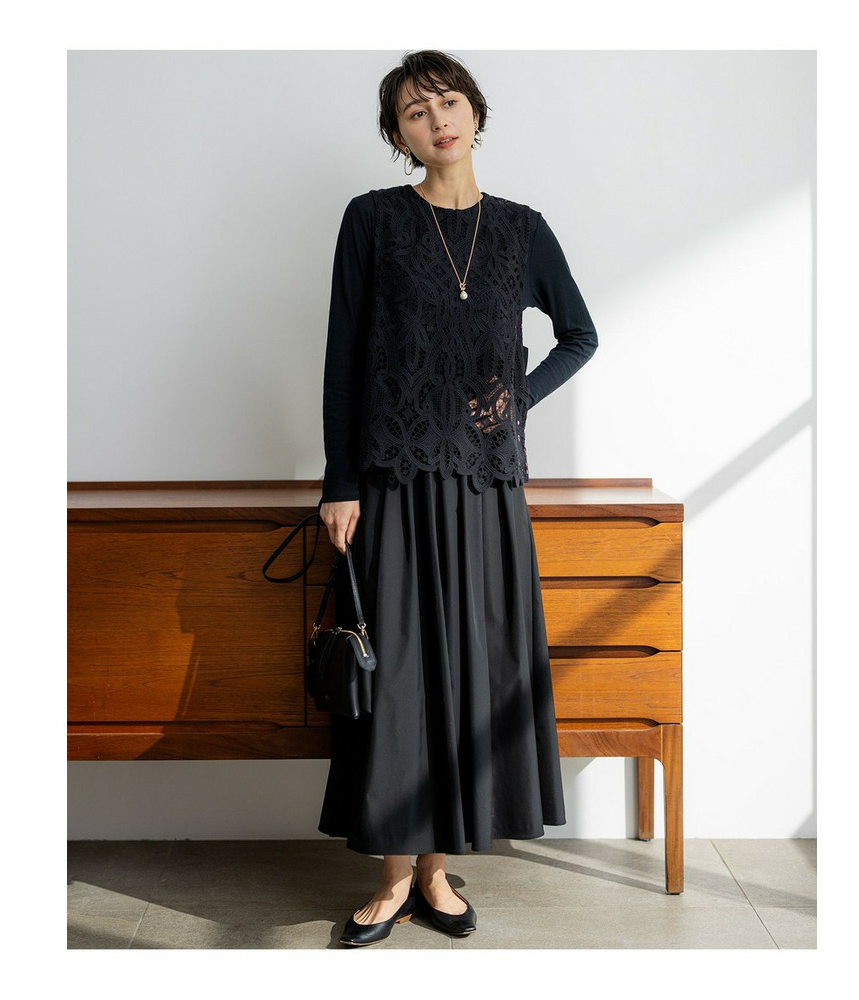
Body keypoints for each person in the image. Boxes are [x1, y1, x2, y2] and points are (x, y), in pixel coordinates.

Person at [316, 50, 598, 947]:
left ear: (475, 111)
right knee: (400, 678)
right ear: (399, 137)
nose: (435, 120)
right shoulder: (372, 220)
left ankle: (436, 874)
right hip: (393, 482)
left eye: (446, 101)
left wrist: (517, 397)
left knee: (467, 677)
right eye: (414, 112)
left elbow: (579, 335)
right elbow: (343, 355)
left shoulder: (521, 230)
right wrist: (340, 480)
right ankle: (394, 875)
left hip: (484, 488)